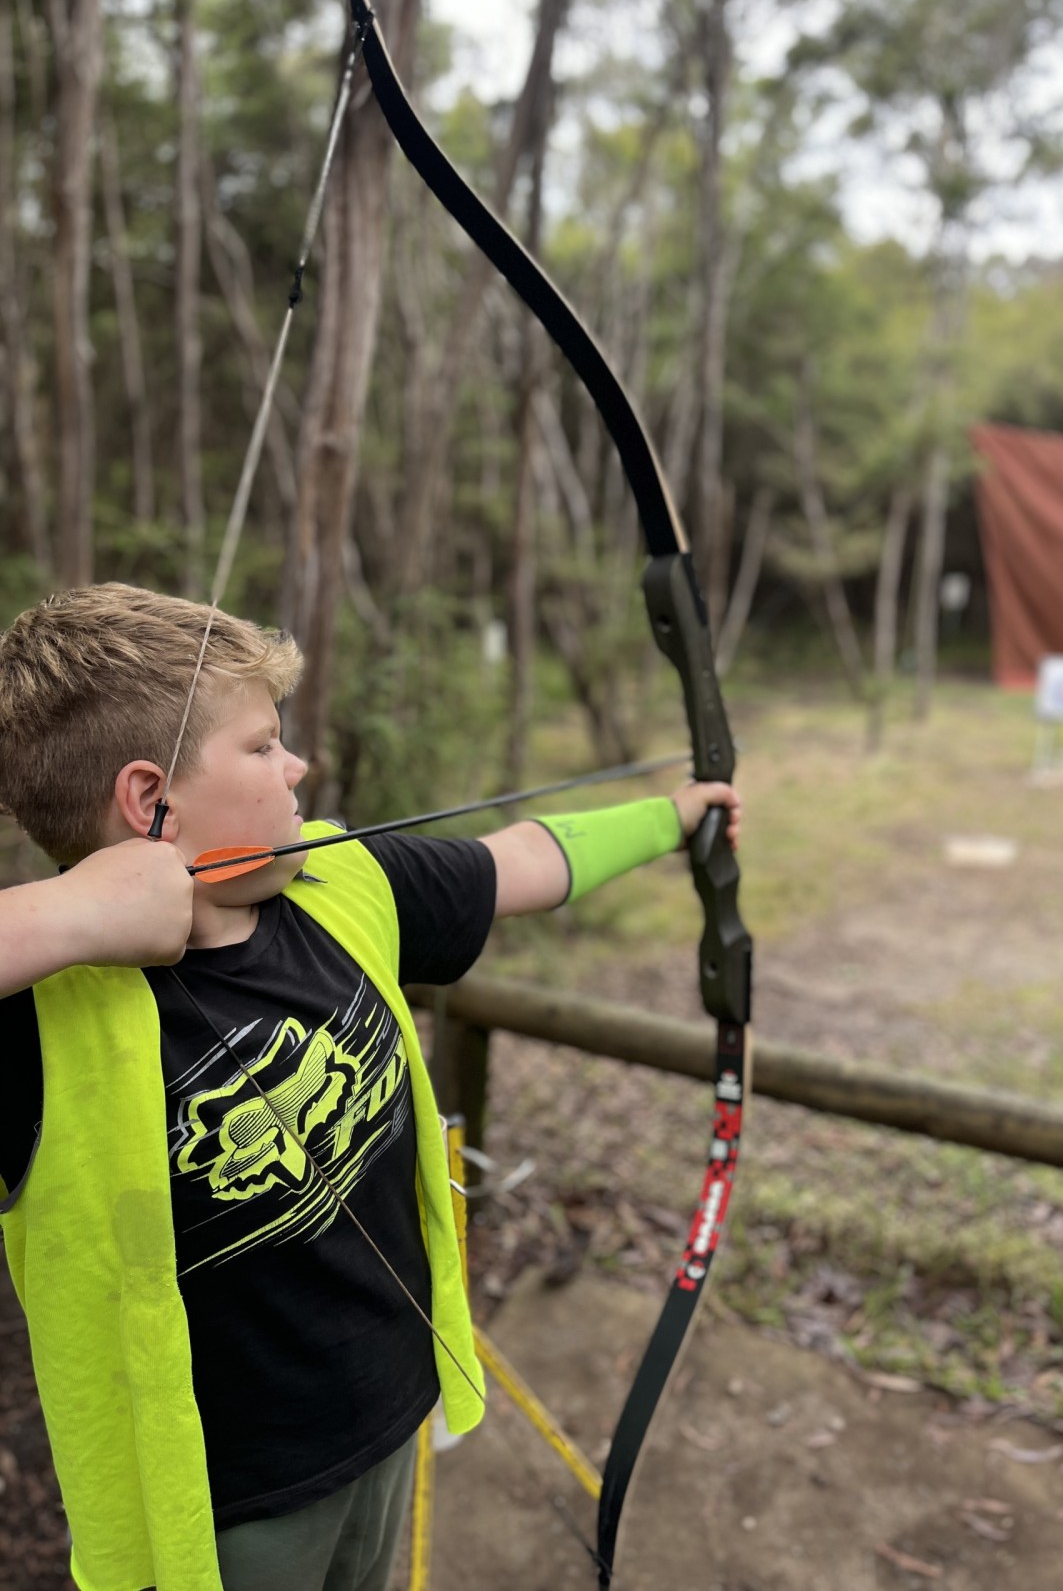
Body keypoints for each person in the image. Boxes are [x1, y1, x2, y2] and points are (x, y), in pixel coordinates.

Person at [0, 582, 740, 1591]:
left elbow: (520, 860)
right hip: (222, 1515)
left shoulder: (340, 885)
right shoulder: (43, 1018)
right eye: (262, 747)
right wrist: (71, 920)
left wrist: (677, 815)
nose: (298, 764)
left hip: (392, 1412)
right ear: (149, 800)